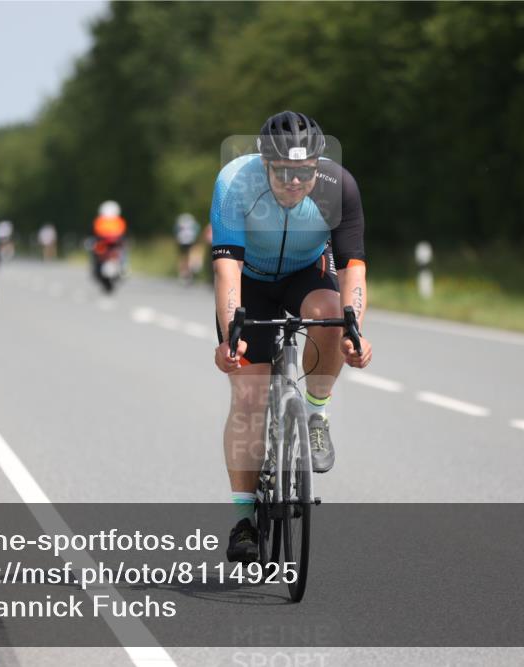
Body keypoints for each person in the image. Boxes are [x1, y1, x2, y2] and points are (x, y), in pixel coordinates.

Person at [210, 111, 373, 563]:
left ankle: (316, 416)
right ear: (264, 164)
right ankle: (244, 520)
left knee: (331, 317)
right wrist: (231, 336)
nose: (295, 182)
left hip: (306, 272)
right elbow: (227, 271)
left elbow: (353, 267)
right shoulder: (234, 183)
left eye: (304, 172)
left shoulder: (338, 186)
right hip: (252, 282)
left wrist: (355, 328)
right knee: (247, 398)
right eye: (284, 173)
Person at [174, 213, 200, 282]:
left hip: (181, 241)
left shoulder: (180, 220)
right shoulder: (192, 222)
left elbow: (176, 230)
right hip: (190, 240)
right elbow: (197, 229)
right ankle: (189, 273)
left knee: (182, 257)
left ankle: (182, 273)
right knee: (190, 256)